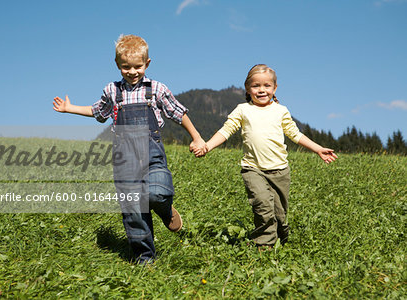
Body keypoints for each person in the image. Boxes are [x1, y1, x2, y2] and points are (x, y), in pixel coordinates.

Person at [53, 34, 206, 264]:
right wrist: (69, 108)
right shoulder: (112, 91)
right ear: (117, 65)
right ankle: (145, 259)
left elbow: (178, 112)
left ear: (147, 63)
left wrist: (196, 137)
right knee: (134, 209)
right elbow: (98, 112)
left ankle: (165, 211)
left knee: (158, 192)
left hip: (151, 152)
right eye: (126, 67)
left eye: (138, 66)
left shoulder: (156, 89)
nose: (132, 71)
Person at [191, 64, 337, 250]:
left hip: (280, 171)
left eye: (267, 86)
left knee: (279, 215)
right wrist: (207, 146)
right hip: (253, 169)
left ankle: (281, 238)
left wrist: (318, 149)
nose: (261, 90)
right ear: (247, 88)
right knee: (262, 205)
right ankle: (264, 245)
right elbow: (226, 130)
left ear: (275, 88)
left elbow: (295, 134)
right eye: (256, 86)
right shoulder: (243, 110)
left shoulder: (280, 110)